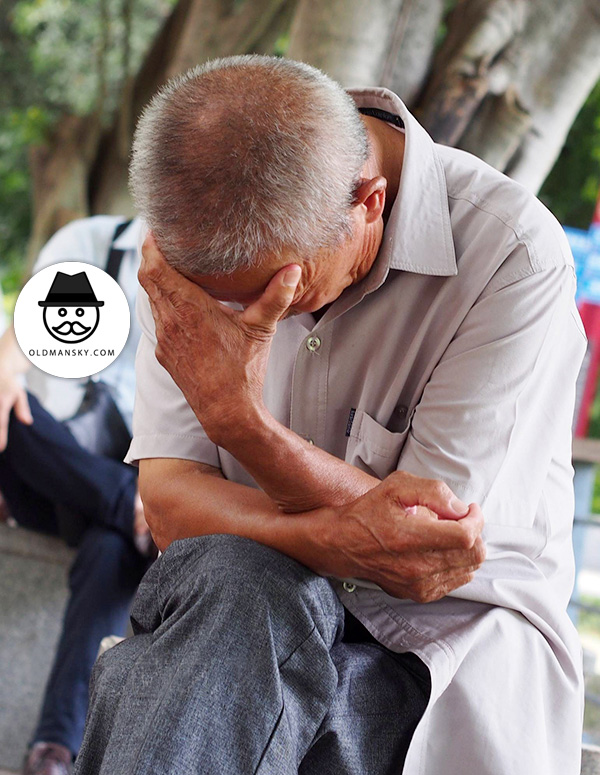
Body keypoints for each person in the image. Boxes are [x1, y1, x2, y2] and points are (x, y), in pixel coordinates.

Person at [75, 56, 584, 775]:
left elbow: (421, 557)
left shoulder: (513, 253)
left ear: (368, 202)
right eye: (229, 300)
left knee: (191, 667)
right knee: (234, 589)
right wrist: (340, 530)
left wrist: (239, 422)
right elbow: (170, 508)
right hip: (235, 613)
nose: (256, 316)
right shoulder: (191, 245)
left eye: (283, 290)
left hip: (438, 646)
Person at [0, 216, 154, 775]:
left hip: (135, 484)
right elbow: (23, 336)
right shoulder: (91, 245)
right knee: (15, 411)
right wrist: (5, 369)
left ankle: (54, 752)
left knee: (108, 550)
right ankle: (132, 507)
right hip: (56, 467)